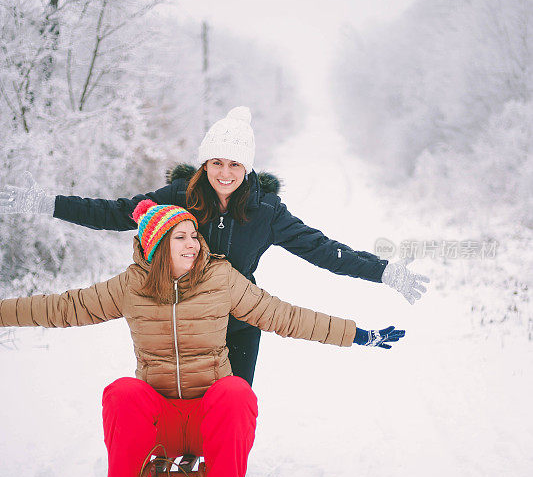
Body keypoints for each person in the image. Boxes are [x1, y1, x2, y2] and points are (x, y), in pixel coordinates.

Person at [0, 199, 404, 477]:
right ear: (156, 244)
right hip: (157, 424)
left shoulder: (221, 278)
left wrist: (359, 334)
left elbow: (283, 315)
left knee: (235, 391)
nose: (193, 244)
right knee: (121, 391)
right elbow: (61, 307)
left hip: (208, 420)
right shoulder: (131, 286)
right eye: (182, 237)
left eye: (195, 235)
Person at [0, 106, 426, 385]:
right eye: (217, 162)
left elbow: (323, 250)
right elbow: (113, 212)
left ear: (248, 167)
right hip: (179, 321)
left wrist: (384, 271)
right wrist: (47, 203)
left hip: (239, 324)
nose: (225, 173)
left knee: (234, 411)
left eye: (235, 164)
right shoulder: (177, 197)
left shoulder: (267, 212)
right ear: (205, 164)